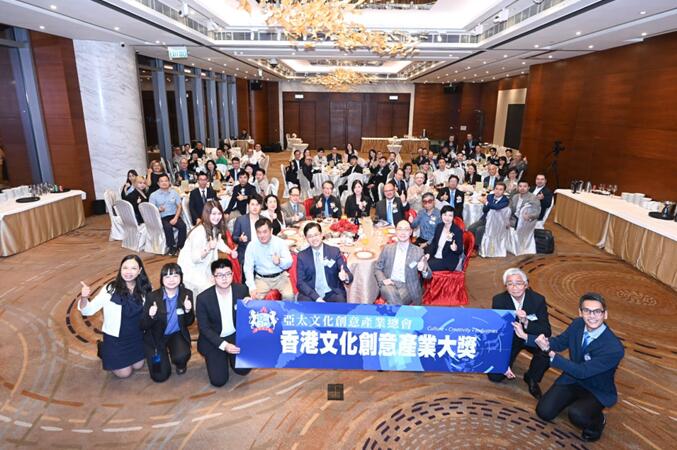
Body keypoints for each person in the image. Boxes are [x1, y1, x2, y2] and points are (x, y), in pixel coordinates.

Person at [514, 293, 624, 442]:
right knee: (544, 412)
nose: (592, 316)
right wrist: (526, 337)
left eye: (597, 311)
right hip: (572, 379)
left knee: (577, 415)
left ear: (605, 314)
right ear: (580, 312)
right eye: (587, 311)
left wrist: (550, 354)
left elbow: (583, 371)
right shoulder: (578, 324)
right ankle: (575, 402)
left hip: (596, 389)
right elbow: (559, 342)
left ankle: (598, 421)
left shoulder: (614, 348)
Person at [78, 255, 151, 378]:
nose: (128, 272)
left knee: (138, 365)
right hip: (116, 338)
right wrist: (84, 297)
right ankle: (103, 349)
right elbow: (87, 311)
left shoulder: (145, 288)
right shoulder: (110, 289)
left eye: (133, 268)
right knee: (125, 373)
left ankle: (111, 353)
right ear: (120, 269)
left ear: (139, 271)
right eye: (125, 268)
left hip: (136, 336)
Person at [489, 268, 551, 399]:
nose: (514, 287)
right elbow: (497, 330)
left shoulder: (537, 300)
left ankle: (532, 378)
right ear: (506, 286)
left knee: (546, 350)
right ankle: (505, 364)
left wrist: (526, 322)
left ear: (526, 284)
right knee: (495, 376)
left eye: (518, 283)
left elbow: (546, 330)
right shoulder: (499, 300)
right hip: (510, 338)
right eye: (510, 284)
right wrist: (502, 362)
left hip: (529, 336)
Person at [196, 259, 251, 387]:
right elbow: (204, 328)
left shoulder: (242, 290)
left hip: (235, 336)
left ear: (232, 274)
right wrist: (224, 345)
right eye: (220, 275)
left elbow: (248, 318)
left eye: (227, 274)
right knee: (219, 381)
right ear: (213, 278)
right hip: (215, 339)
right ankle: (221, 357)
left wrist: (251, 305)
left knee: (244, 370)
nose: (224, 278)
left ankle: (230, 358)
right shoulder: (203, 298)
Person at [140, 263, 194, 382]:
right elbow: (143, 325)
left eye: (175, 276)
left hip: (176, 334)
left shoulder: (186, 294)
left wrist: (188, 310)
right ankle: (161, 358)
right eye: (167, 276)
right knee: (159, 376)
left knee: (182, 356)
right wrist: (151, 316)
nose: (171, 280)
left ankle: (180, 363)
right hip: (155, 337)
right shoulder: (152, 297)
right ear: (162, 279)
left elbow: (189, 322)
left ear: (181, 278)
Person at [178, 200, 238, 294]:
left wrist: (230, 251)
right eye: (213, 214)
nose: (217, 217)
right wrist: (208, 248)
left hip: (204, 265)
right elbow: (195, 259)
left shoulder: (213, 227)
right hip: (192, 270)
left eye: (219, 213)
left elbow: (219, 242)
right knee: (211, 290)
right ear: (207, 214)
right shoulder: (199, 232)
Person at [374, 220, 431, 305]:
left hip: (407, 287)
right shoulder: (387, 249)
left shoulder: (418, 251)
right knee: (390, 292)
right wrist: (383, 280)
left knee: (393, 301)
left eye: (406, 229)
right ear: (396, 231)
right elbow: (377, 268)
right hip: (389, 283)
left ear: (410, 232)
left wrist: (424, 268)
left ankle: (392, 309)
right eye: (400, 229)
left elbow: (429, 275)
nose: (403, 232)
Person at [296, 222, 353, 302]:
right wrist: (316, 298)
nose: (314, 238)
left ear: (321, 235)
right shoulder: (302, 256)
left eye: (316, 235)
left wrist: (345, 276)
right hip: (311, 293)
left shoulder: (334, 251)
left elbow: (349, 275)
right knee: (304, 303)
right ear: (306, 238)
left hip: (332, 292)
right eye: (310, 236)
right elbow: (300, 282)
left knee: (340, 301)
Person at [243, 218, 294, 299]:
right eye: (259, 232)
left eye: (265, 232)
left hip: (280, 277)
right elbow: (248, 268)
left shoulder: (280, 242)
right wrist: (252, 287)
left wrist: (280, 261)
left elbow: (289, 262)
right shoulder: (252, 246)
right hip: (262, 279)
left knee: (289, 296)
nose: (262, 235)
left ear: (271, 231)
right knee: (255, 300)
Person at [149, 174, 187, 255]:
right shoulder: (153, 195)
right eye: (162, 181)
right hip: (162, 217)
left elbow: (179, 206)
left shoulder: (174, 193)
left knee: (183, 226)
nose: (164, 183)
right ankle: (171, 247)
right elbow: (151, 210)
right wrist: (158, 209)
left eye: (166, 181)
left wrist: (176, 218)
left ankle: (180, 246)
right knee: (168, 227)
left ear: (169, 182)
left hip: (174, 215)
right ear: (158, 183)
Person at [467, 182, 510, 249]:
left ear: (504, 191)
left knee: (479, 230)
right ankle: (470, 244)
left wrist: (486, 203)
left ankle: (477, 247)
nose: (498, 191)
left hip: (495, 222)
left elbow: (497, 207)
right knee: (471, 228)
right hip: (485, 218)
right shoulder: (490, 196)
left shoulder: (505, 200)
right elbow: (484, 210)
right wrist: (487, 204)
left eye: (500, 189)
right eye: (496, 189)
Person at [425, 205, 464, 271]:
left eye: (450, 215)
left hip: (447, 260)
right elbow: (434, 243)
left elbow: (460, 250)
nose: (447, 218)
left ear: (453, 217)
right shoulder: (439, 226)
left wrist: (455, 248)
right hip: (436, 254)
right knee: (419, 259)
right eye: (445, 215)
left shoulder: (457, 231)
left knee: (425, 265)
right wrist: (428, 254)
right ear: (441, 215)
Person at [233, 195, 262, 273]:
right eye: (252, 204)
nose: (255, 207)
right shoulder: (240, 220)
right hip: (246, 253)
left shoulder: (264, 220)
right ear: (248, 205)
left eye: (257, 205)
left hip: (261, 252)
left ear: (260, 206)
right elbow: (234, 237)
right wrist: (240, 238)